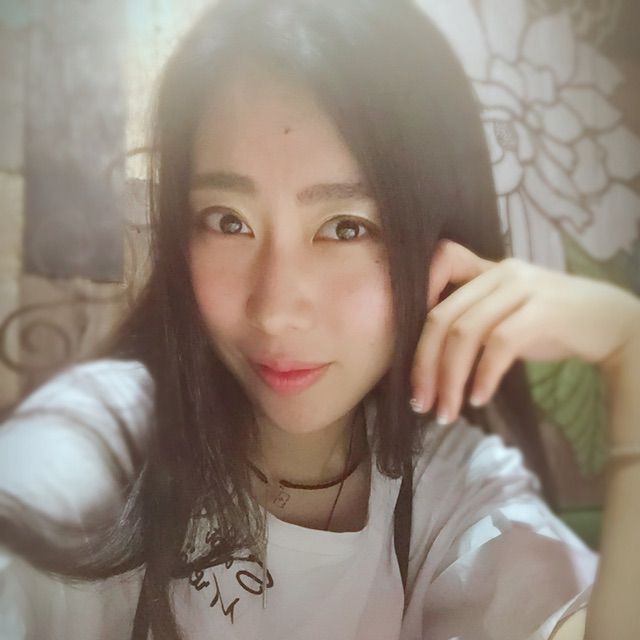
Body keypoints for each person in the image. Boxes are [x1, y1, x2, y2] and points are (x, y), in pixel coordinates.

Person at [0, 0, 639, 638]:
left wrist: (631, 351)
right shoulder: (100, 435)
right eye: (229, 221)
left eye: (346, 228)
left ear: (438, 243)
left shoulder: (448, 484)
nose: (275, 310)